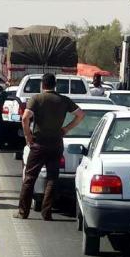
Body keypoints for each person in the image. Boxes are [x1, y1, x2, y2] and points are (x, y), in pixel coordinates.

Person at [17, 73, 85, 221]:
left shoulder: (36, 99)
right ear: (55, 85)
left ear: (42, 84)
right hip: (56, 144)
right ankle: (47, 213)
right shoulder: (63, 100)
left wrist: (28, 136)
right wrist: (66, 129)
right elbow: (80, 114)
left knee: (29, 177)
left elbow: (25, 118)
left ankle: (23, 212)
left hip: (39, 143)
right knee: (52, 178)